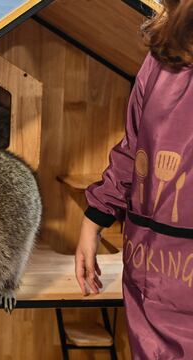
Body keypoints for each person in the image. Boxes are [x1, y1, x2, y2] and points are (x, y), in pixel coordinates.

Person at [75, 0, 193, 358]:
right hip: (152, 272)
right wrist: (93, 219)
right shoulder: (160, 58)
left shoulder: (161, 57)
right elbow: (134, 148)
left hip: (155, 267)